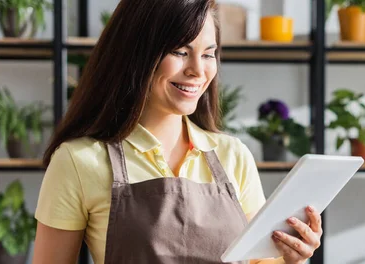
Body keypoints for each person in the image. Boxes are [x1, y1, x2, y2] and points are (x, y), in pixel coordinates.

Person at [31, 0, 322, 263]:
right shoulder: (79, 161)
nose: (198, 70)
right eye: (180, 52)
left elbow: (260, 262)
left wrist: (292, 257)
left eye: (209, 54)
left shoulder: (232, 155)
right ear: (136, 54)